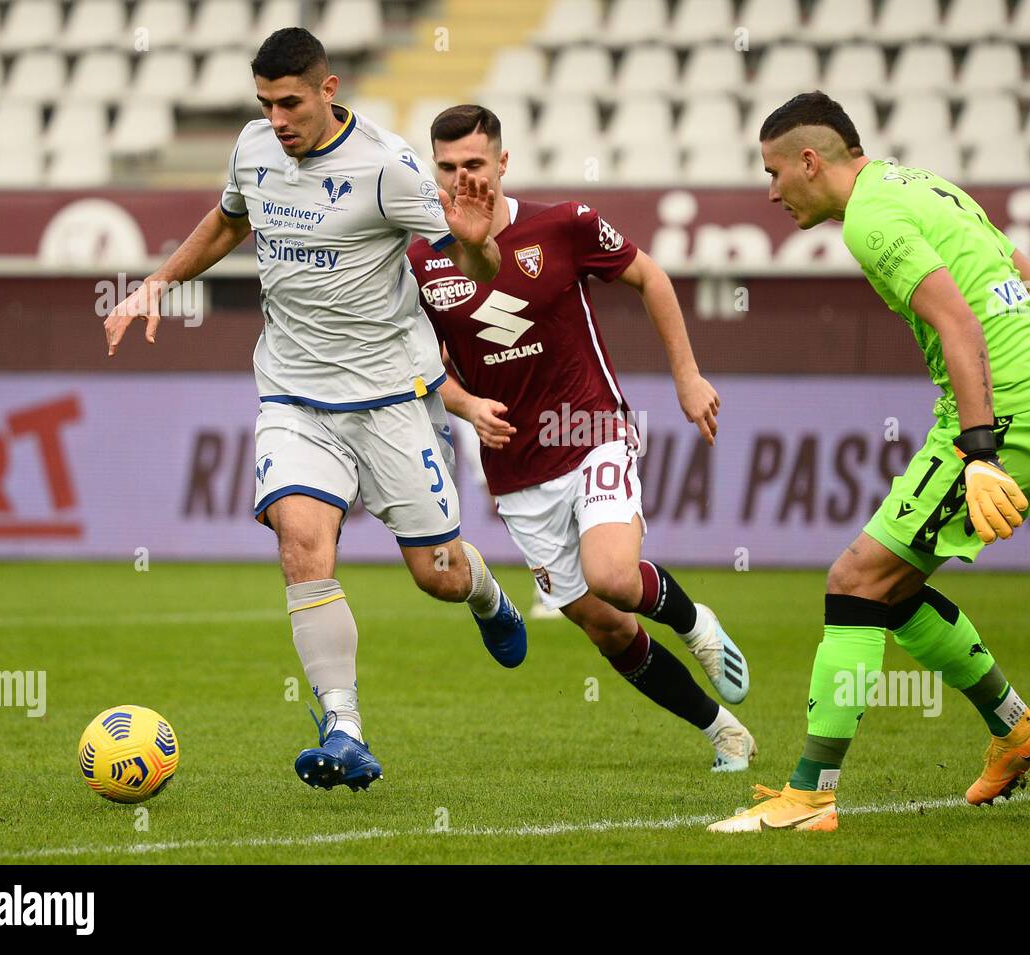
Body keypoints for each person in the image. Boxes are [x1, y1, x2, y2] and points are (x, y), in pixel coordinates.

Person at [102, 30, 527, 793]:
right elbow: (232, 218)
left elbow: (475, 262)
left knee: (437, 574)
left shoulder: (388, 166)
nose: (276, 119)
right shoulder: (254, 148)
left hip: (392, 401)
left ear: (328, 90)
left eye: (290, 103)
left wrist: (474, 247)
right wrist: (158, 281)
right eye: (264, 104)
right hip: (293, 396)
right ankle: (344, 725)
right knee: (301, 538)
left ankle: (486, 592)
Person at [710, 91, 1030, 831]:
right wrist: (1026, 375)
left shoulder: (872, 220)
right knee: (893, 593)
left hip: (994, 421)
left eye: (775, 171)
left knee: (854, 581)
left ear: (812, 160)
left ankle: (811, 795)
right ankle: (1016, 730)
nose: (771, 190)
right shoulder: (922, 184)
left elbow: (959, 319)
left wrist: (979, 449)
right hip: (1029, 404)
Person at [406, 105, 756, 772]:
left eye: (474, 164)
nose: (461, 179)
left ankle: (695, 624)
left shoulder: (564, 224)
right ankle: (723, 732)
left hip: (592, 430)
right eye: (447, 168)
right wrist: (467, 401)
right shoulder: (422, 259)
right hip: (516, 471)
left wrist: (687, 375)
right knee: (606, 624)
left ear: (502, 163)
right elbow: (416, 366)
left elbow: (650, 275)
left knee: (614, 576)